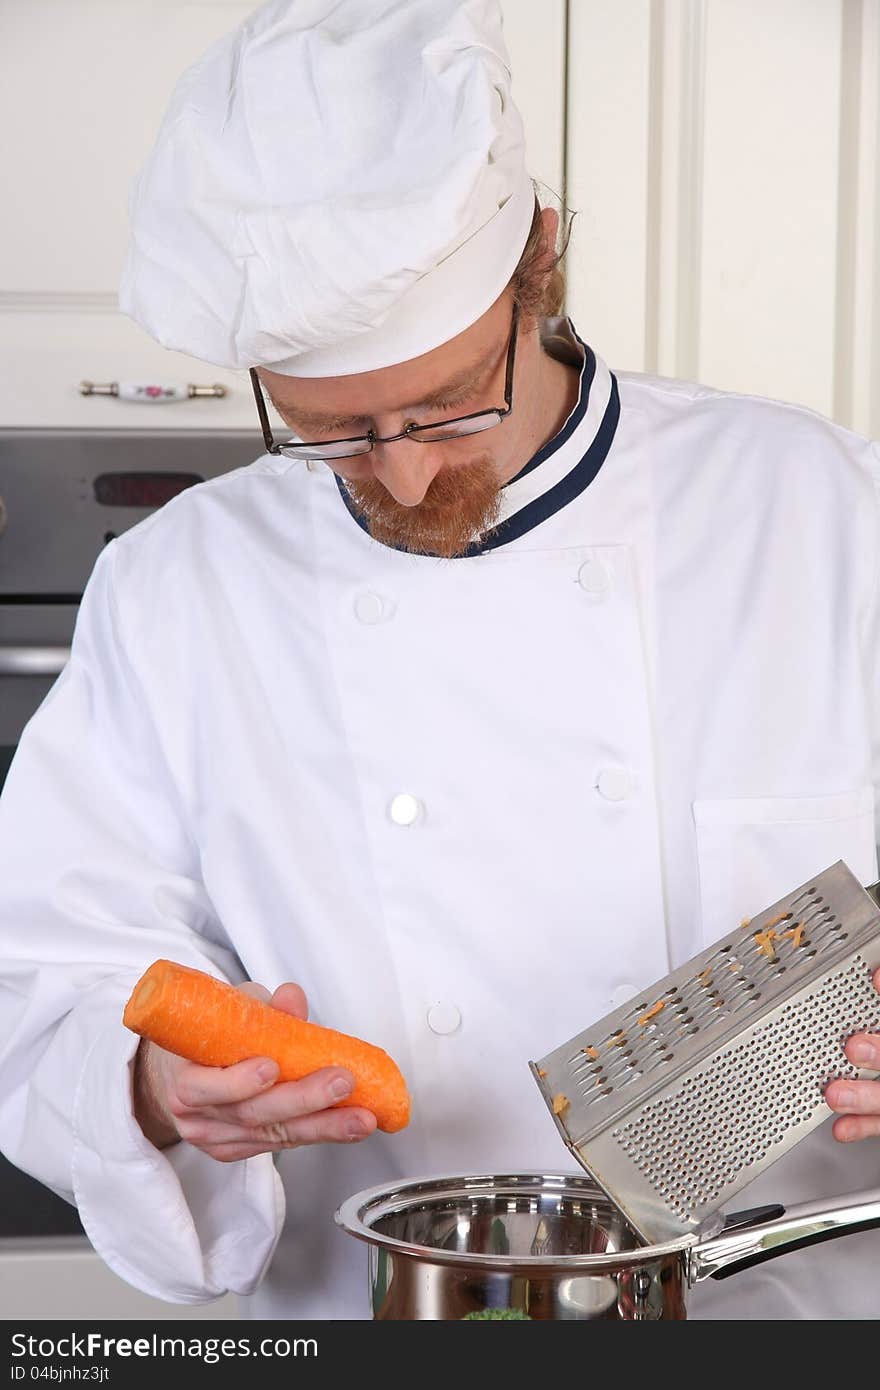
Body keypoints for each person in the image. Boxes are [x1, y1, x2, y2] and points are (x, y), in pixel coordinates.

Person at [0, 0, 878, 1321]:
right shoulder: (177, 592)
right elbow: (41, 983)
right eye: (333, 429)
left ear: (541, 260)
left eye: (450, 399)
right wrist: (148, 1089)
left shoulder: (823, 515)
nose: (406, 472)